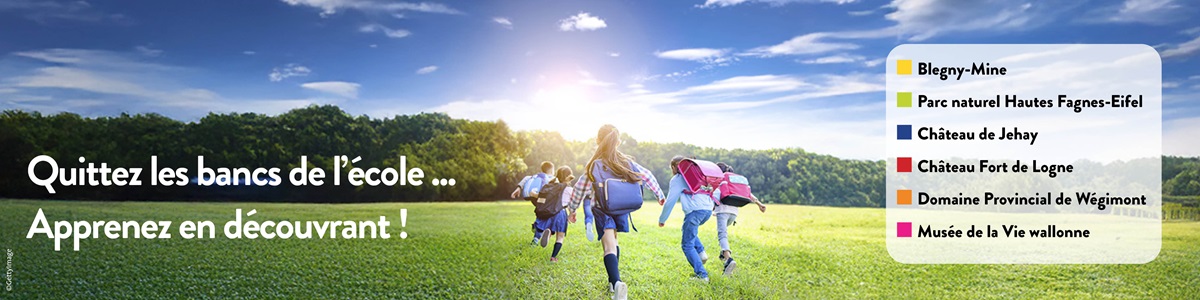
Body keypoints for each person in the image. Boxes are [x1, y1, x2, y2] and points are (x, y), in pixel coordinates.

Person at [567, 124, 665, 300]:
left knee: (608, 247)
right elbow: (647, 175)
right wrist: (659, 195)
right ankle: (613, 285)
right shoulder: (626, 162)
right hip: (622, 208)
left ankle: (617, 282)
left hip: (602, 209)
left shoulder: (595, 165)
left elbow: (579, 189)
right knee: (615, 242)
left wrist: (572, 209)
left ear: (598, 141)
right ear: (618, 142)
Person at [657, 155, 715, 282]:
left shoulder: (677, 179)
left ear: (673, 167)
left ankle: (702, 275)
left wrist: (662, 219)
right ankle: (701, 253)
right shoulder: (700, 174)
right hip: (707, 211)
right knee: (688, 230)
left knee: (687, 245)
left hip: (695, 212)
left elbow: (670, 201)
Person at [712, 162, 767, 276]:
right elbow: (749, 194)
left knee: (722, 235)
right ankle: (723, 255)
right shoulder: (733, 181)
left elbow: (715, 197)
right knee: (723, 234)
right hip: (734, 214)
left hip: (723, 212)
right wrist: (760, 204)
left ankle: (728, 259)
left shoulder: (719, 180)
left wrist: (711, 208)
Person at [533, 166, 576, 262]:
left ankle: (547, 234)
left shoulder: (552, 186)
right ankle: (553, 257)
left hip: (550, 212)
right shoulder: (569, 189)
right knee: (560, 237)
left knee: (550, 229)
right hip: (561, 213)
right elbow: (571, 205)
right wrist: (572, 214)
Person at [513, 161, 555, 245]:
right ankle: (537, 233)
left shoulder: (534, 176)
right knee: (547, 216)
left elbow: (525, 178)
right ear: (551, 170)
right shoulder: (551, 177)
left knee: (542, 215)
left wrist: (518, 188)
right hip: (542, 198)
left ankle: (538, 228)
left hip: (533, 198)